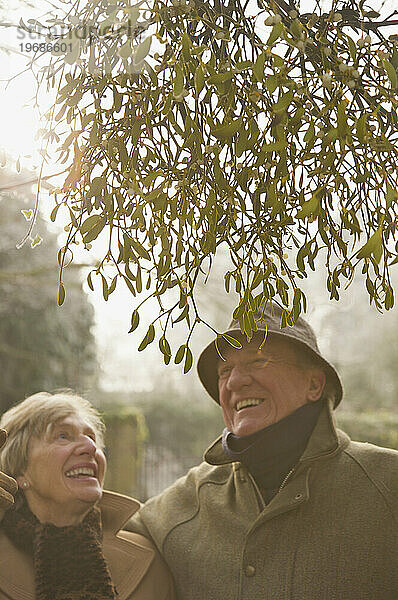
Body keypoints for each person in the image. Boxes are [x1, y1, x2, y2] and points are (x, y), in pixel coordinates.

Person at [127, 303, 398, 600]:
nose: (234, 381)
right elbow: (98, 536)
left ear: (314, 384)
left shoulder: (388, 483)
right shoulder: (184, 503)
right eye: (225, 370)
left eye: (258, 361)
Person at [0, 391, 174, 600]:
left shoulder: (149, 558)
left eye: (92, 438)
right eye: (63, 436)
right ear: (20, 469)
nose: (91, 448)